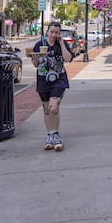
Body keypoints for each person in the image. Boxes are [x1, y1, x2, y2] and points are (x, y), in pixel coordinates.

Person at [31, 22, 73, 151]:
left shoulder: (62, 44)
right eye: (52, 32)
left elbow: (68, 59)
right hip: (43, 79)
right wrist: (36, 58)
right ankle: (50, 135)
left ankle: (56, 135)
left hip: (58, 79)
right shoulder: (40, 44)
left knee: (53, 107)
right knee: (46, 109)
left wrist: (61, 44)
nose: (54, 34)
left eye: (56, 32)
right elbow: (35, 64)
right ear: (47, 32)